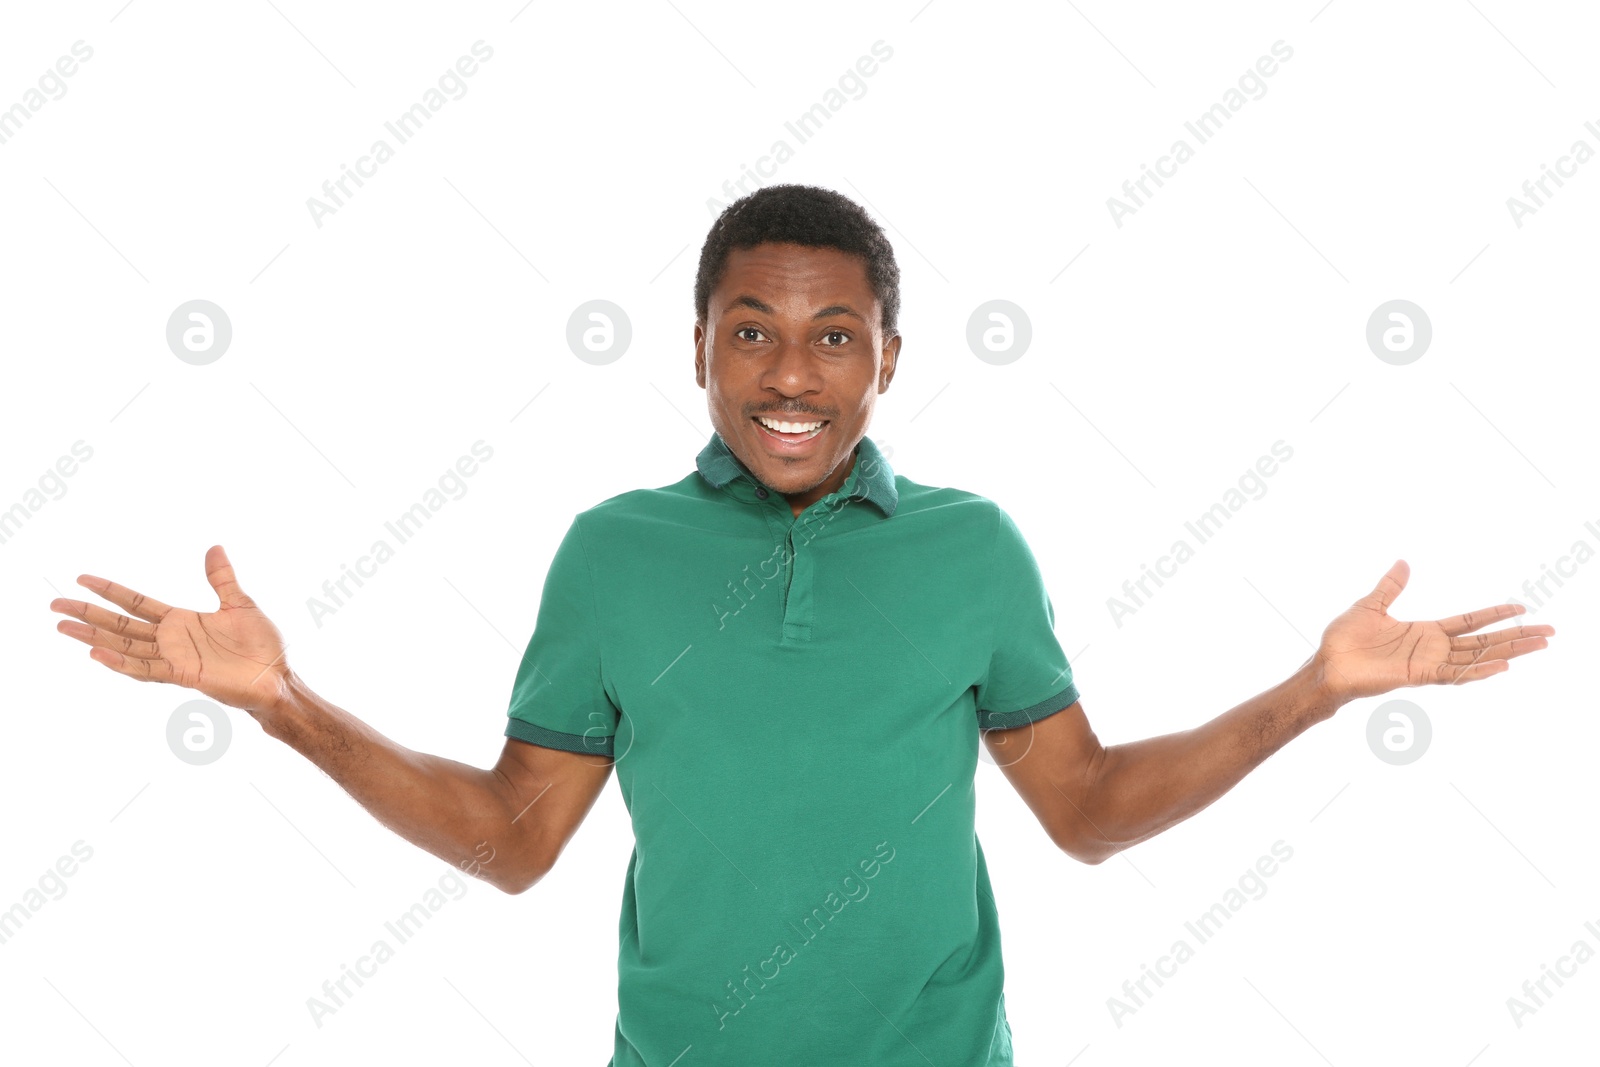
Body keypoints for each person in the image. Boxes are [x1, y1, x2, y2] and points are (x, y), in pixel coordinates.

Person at [49, 184, 1554, 1066]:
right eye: (752, 332)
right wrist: (285, 704)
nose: (792, 373)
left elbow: (1085, 816)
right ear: (697, 347)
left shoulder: (974, 549)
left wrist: (1313, 689)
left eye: (834, 336)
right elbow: (514, 841)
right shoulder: (612, 553)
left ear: (887, 358)